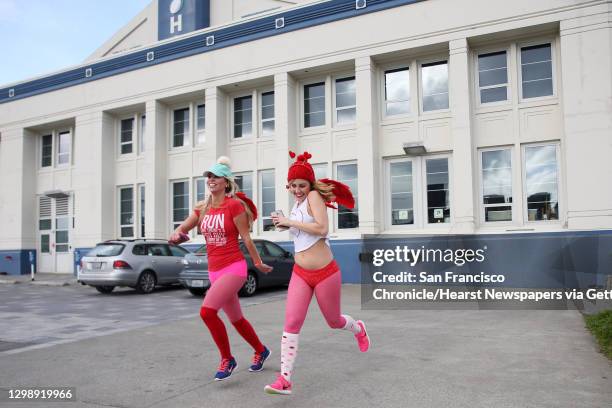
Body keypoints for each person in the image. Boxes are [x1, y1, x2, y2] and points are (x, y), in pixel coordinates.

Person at [264, 151, 370, 395]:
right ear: (288, 186)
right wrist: (284, 223)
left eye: (302, 185)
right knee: (291, 323)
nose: (298, 190)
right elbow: (302, 233)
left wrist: (291, 222)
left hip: (325, 272)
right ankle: (285, 379)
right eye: (293, 186)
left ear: (309, 184)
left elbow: (322, 229)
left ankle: (358, 328)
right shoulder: (297, 203)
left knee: (334, 321)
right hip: (300, 272)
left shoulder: (313, 196)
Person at [170, 156, 273, 381]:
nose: (211, 180)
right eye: (209, 176)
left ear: (226, 182)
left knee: (207, 312)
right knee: (236, 319)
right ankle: (261, 350)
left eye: (216, 177)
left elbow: (246, 238)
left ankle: (228, 359)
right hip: (214, 269)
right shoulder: (202, 208)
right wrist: (177, 235)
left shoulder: (233, 205)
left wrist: (257, 263)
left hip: (234, 267)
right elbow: (183, 228)